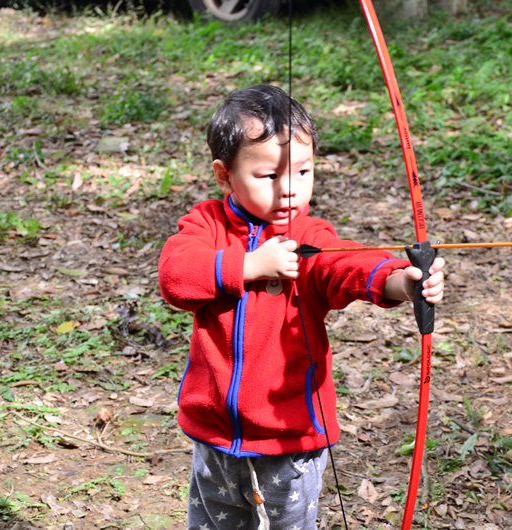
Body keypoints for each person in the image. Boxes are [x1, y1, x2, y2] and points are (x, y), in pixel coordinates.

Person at [158, 84, 445, 530]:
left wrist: (401, 281)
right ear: (224, 175)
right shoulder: (208, 225)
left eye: (303, 171)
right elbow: (176, 277)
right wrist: (250, 265)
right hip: (214, 434)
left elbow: (346, 264)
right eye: (269, 176)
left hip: (290, 438)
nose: (290, 189)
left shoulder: (309, 237)